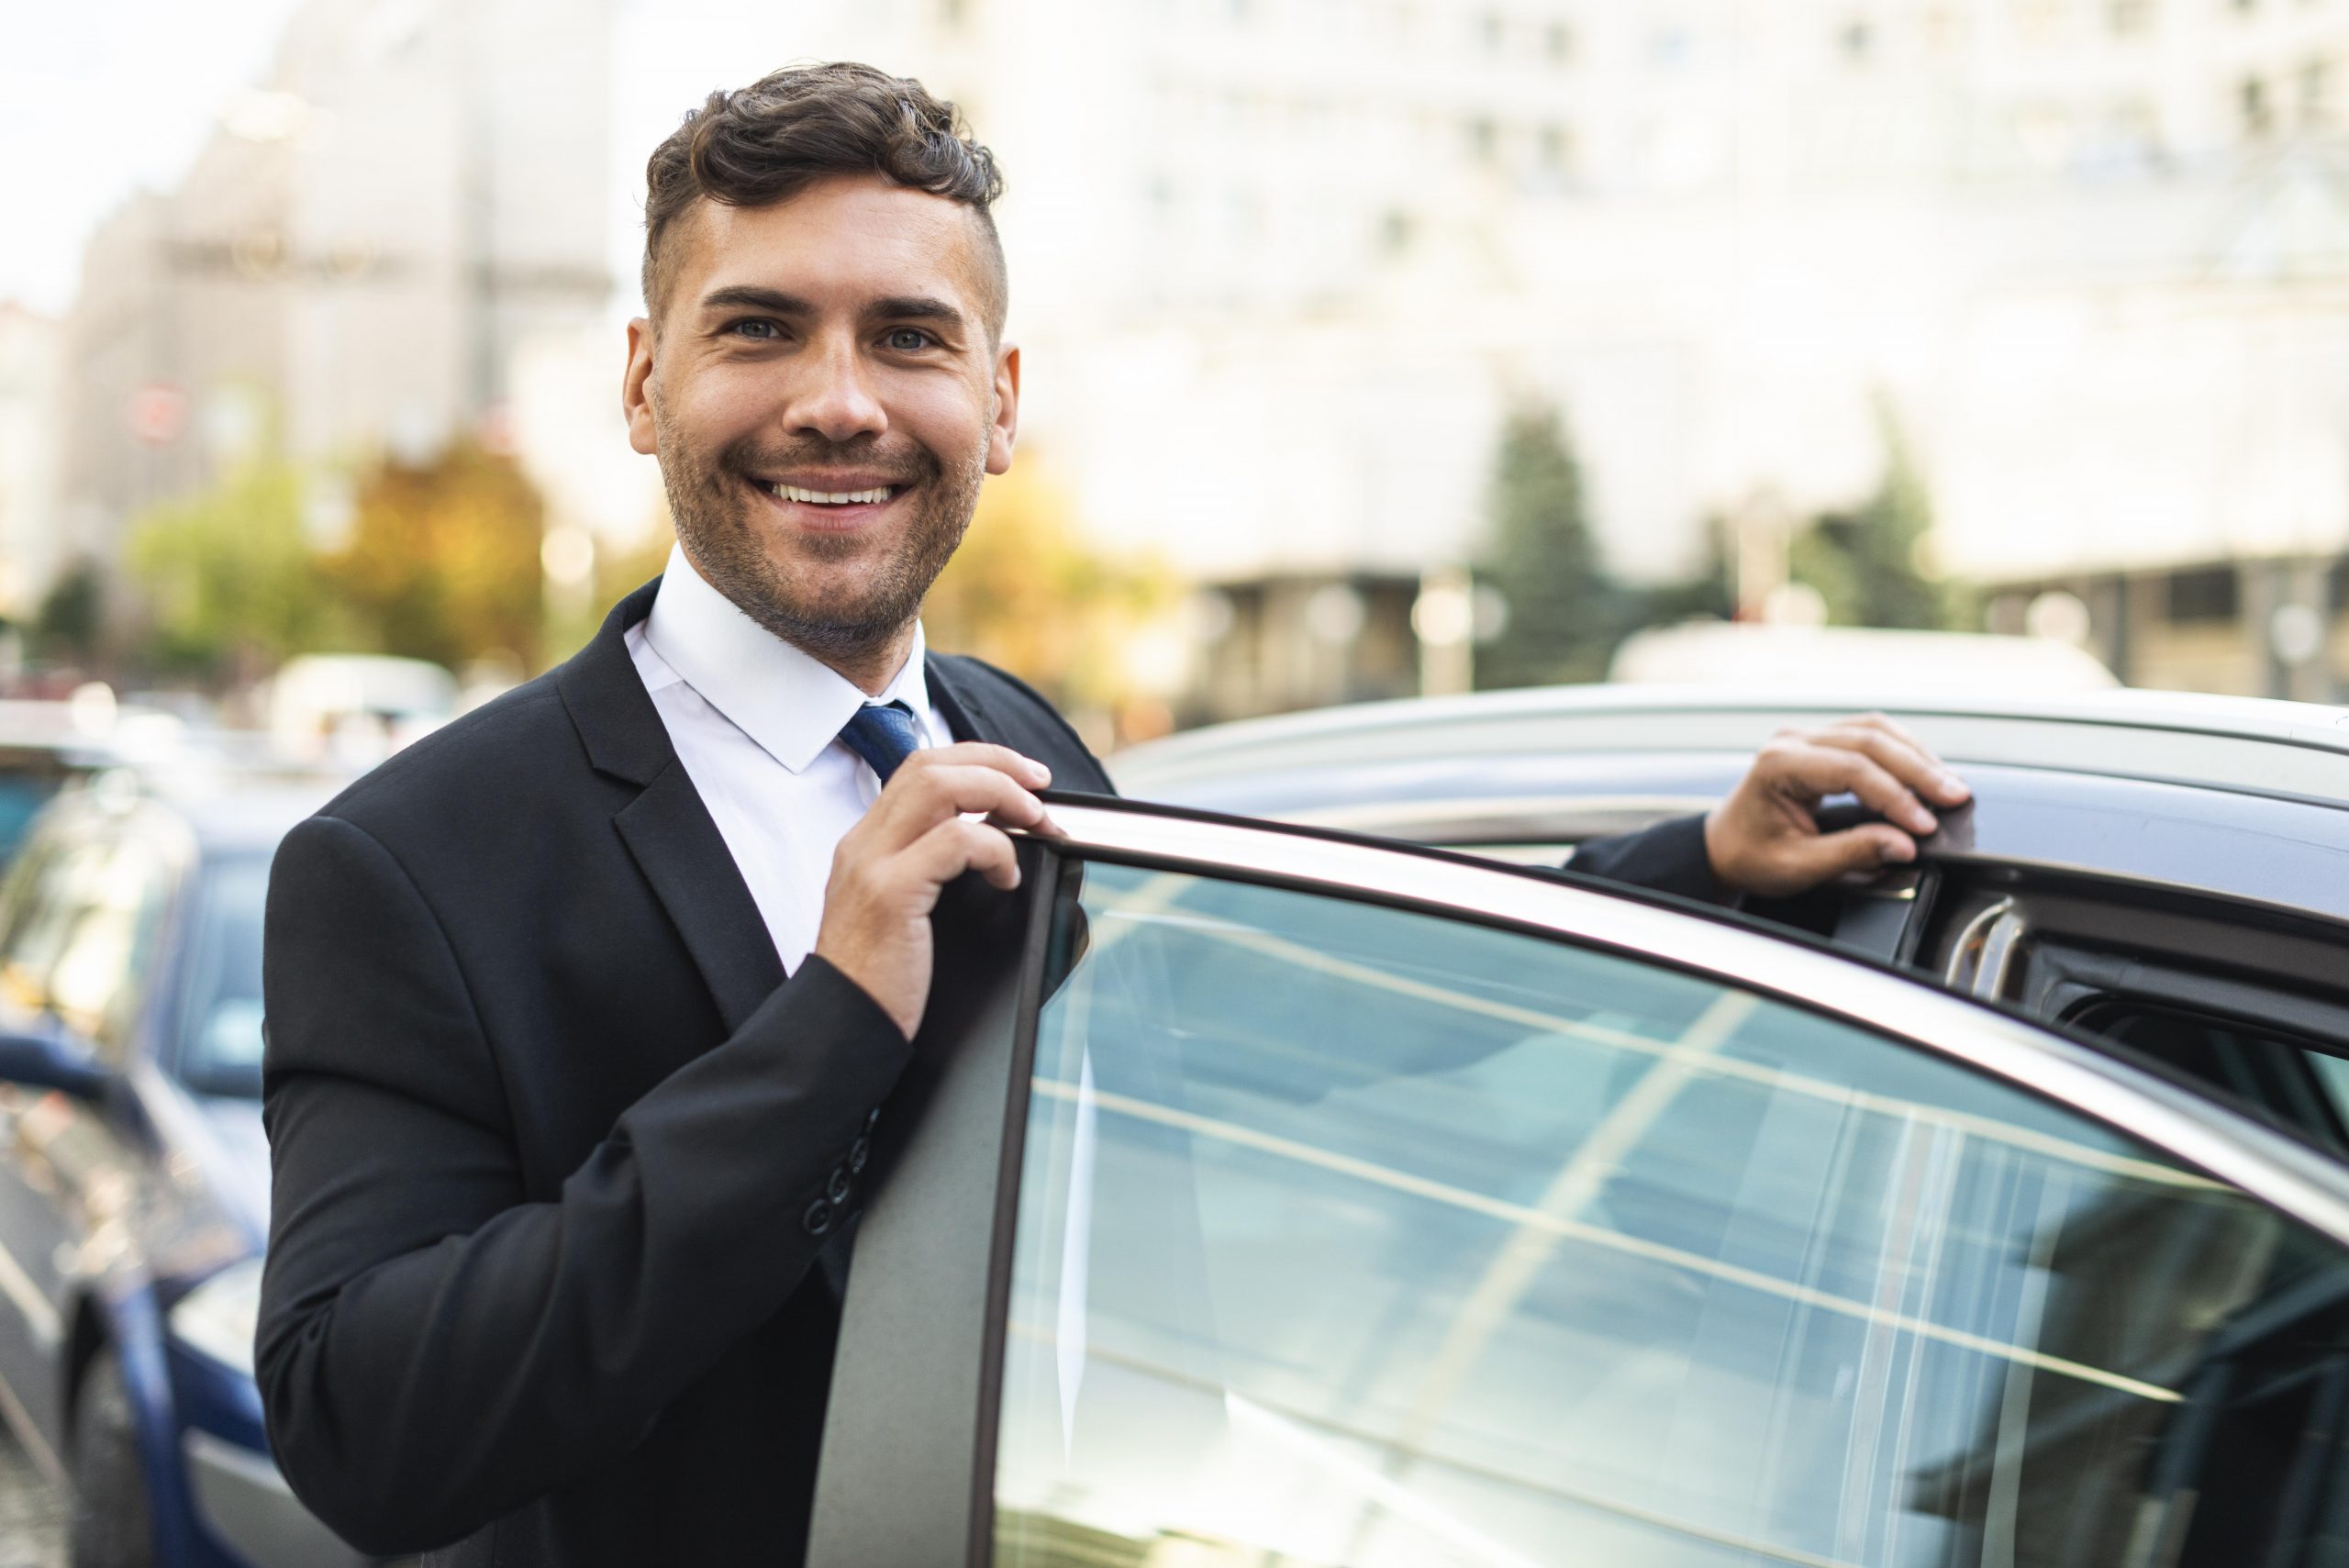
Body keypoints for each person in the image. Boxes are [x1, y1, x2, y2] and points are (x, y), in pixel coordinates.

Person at [255, 62, 1972, 1566]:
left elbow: (1276, 1016)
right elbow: (365, 1433)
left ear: (1000, 407)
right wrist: (827, 1027)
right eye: (759, 326)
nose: (841, 398)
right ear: (642, 385)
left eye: (910, 337)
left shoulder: (1019, 738)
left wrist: (1698, 869)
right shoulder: (403, 865)